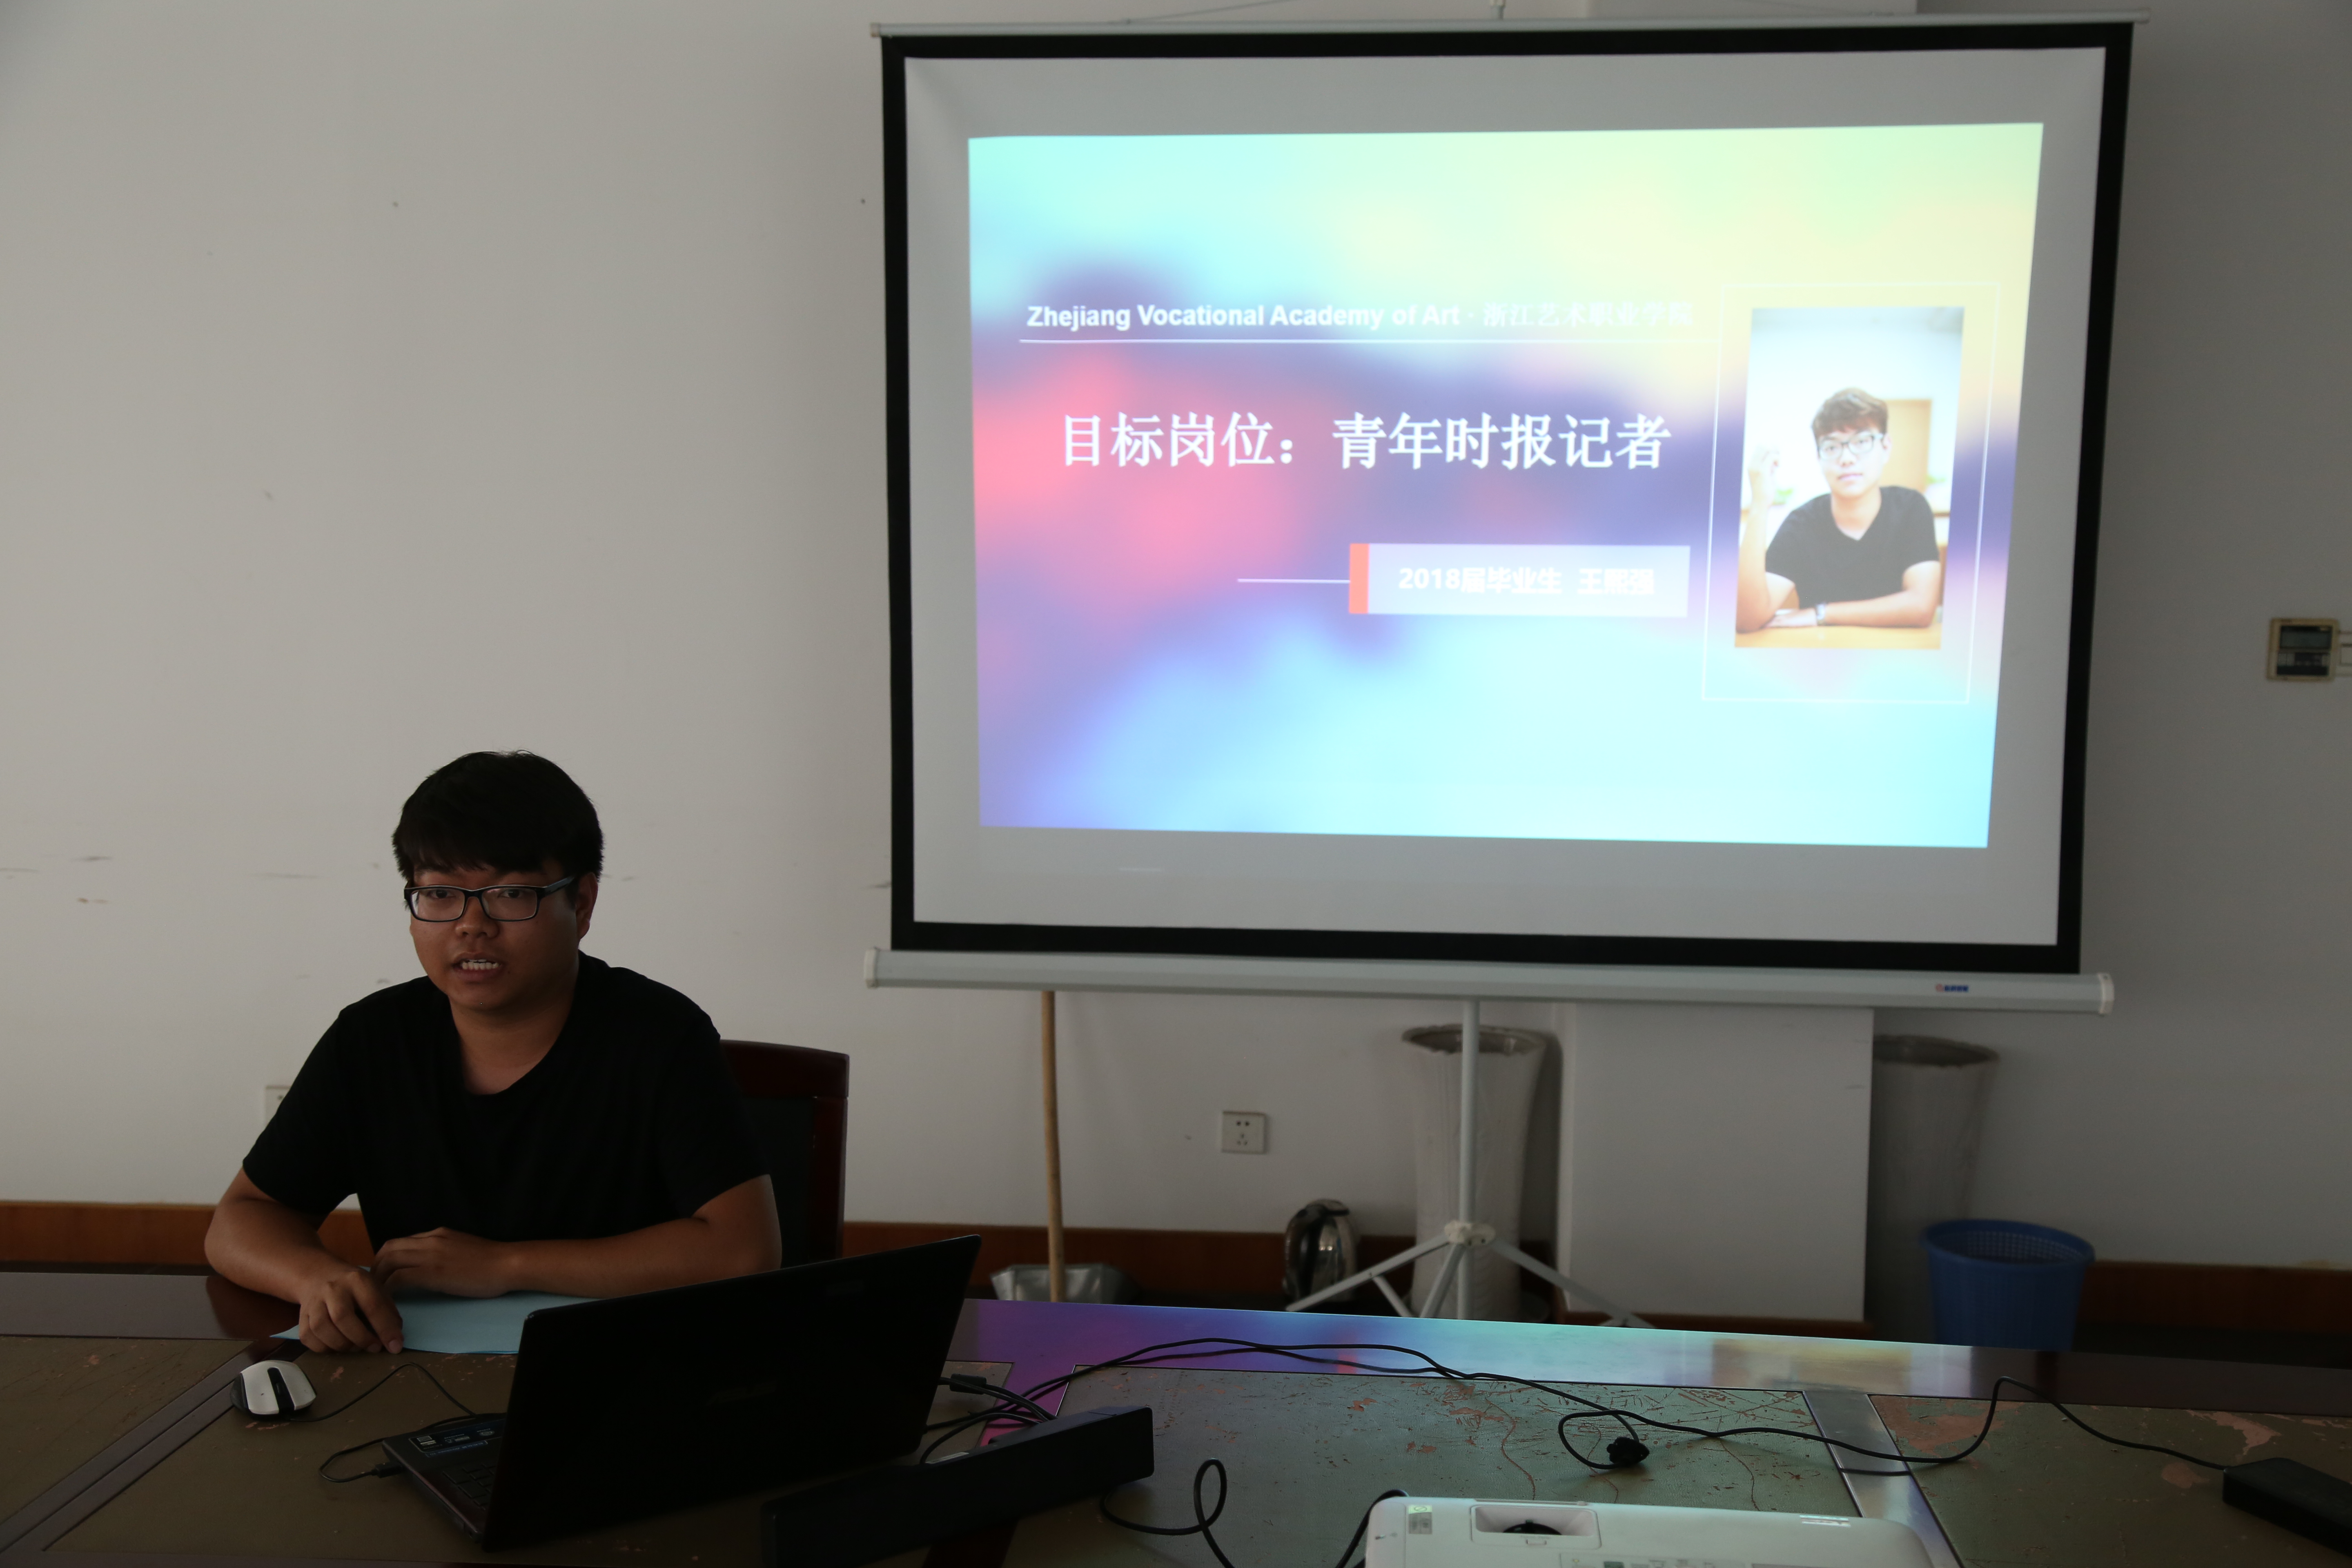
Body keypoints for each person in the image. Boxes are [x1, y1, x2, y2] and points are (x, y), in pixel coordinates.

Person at [205, 752, 782, 1354]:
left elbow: (743, 1251)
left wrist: (506, 1265)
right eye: (439, 894)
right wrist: (316, 1276)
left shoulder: (659, 1034)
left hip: (621, 1360)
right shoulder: (371, 1040)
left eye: (509, 893)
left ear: (582, 903)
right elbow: (242, 1218)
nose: (471, 925)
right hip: (417, 1369)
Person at [1736, 387, 1943, 634]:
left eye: (1862, 442)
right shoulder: (1802, 524)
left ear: (1886, 447)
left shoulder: (1911, 509)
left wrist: (1822, 614)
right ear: (1819, 457)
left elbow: (1921, 607)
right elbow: (1747, 620)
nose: (1847, 458)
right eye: (1832, 447)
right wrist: (1760, 504)